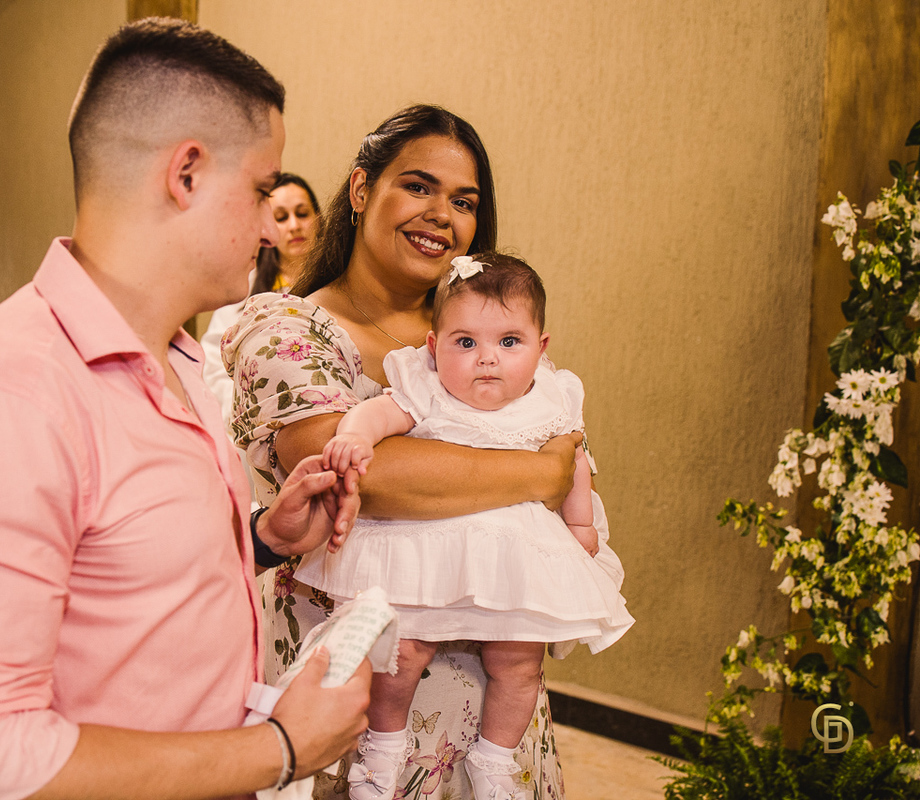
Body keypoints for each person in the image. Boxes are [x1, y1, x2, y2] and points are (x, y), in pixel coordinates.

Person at [0, 18, 369, 800]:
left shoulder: (177, 355)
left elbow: (124, 574)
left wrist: (260, 539)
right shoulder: (5, 396)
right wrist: (279, 749)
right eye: (262, 190)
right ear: (186, 174)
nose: (272, 225)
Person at [222, 105, 581, 800]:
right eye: (418, 186)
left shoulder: (483, 335)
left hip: (495, 705)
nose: (441, 214)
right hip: (354, 697)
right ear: (362, 190)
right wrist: (540, 473)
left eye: (464, 202)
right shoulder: (289, 326)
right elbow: (358, 471)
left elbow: (562, 435)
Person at [312, 252, 634, 800]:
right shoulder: (428, 388)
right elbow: (382, 414)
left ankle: (495, 761)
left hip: (515, 558)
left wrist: (581, 524)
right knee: (400, 653)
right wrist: (357, 435)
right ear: (434, 346)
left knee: (519, 660)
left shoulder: (550, 399)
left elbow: (575, 462)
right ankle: (380, 754)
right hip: (426, 546)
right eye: (465, 342)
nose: (487, 358)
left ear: (541, 348)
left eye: (509, 342)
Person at [201, 173, 321, 419]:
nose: (294, 225)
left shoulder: (341, 282)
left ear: (319, 219)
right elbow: (213, 367)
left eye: (302, 214)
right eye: (281, 218)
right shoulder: (241, 288)